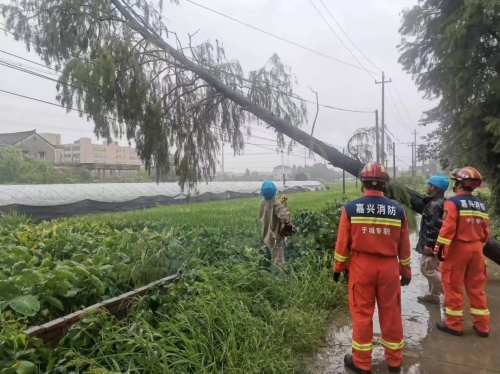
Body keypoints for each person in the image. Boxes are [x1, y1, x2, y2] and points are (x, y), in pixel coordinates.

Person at [333, 162, 411, 374]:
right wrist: (406, 272)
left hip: (361, 267)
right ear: (384, 186)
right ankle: (395, 361)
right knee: (391, 314)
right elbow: (404, 247)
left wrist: (338, 268)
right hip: (388, 268)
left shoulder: (350, 209)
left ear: (362, 184)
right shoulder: (398, 211)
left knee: (361, 315)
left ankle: (361, 363)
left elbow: (342, 244)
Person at [434, 167, 490, 337]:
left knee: (453, 286)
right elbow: (486, 232)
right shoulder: (481, 205)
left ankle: (454, 325)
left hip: (457, 249)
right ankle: (482, 326)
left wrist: (439, 249)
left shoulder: (453, 203)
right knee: (476, 288)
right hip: (476, 249)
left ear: (458, 183)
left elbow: (447, 229)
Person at [415, 174, 449, 304]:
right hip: (439, 243)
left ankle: (449, 294)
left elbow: (434, 226)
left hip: (432, 244)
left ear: (433, 187)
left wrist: (429, 244)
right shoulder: (442, 202)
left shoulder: (434, 204)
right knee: (434, 268)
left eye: (428, 184)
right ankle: (434, 295)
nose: (427, 187)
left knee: (427, 269)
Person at [259, 181, 292, 270]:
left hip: (266, 237)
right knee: (278, 263)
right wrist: (286, 212)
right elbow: (286, 218)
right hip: (275, 239)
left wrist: (281, 201)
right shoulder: (276, 205)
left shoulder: (262, 203)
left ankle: (268, 274)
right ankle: (279, 280)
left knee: (271, 258)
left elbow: (272, 208)